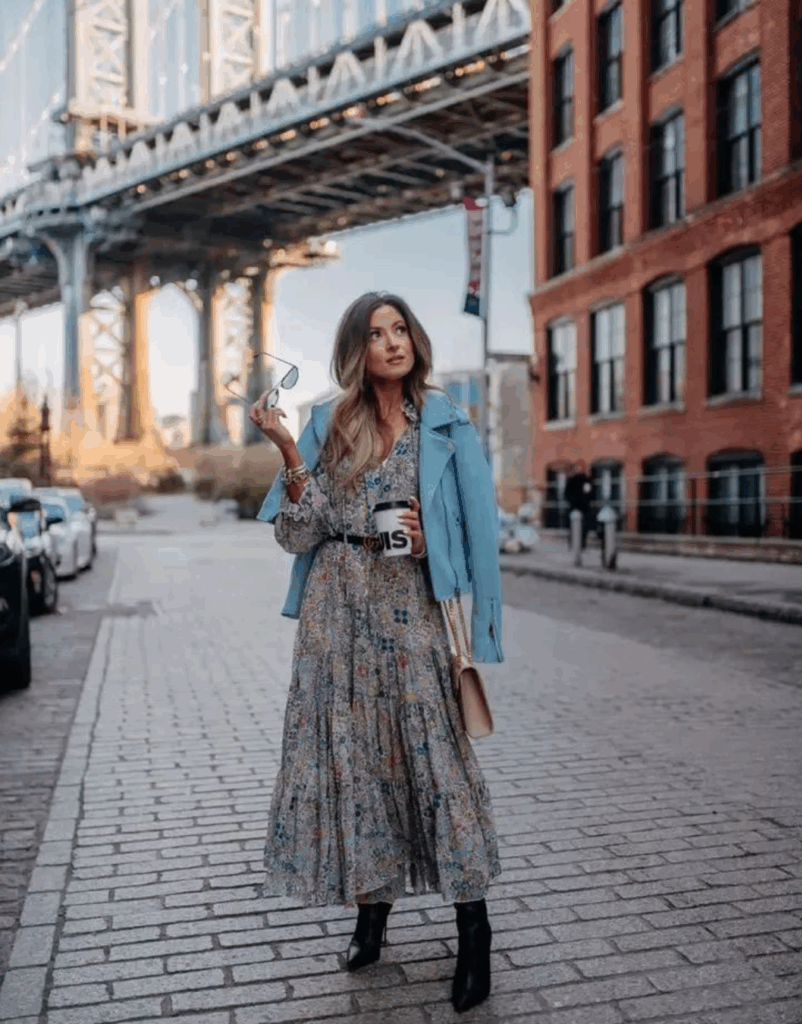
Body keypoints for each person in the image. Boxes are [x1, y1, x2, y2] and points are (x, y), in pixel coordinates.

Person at [249, 292, 504, 1014]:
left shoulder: (447, 421)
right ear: (356, 350)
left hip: (412, 613)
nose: (391, 343)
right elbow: (299, 534)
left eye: (399, 330)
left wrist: (436, 550)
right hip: (336, 617)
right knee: (359, 769)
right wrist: (288, 450)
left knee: (438, 767)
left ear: (414, 340)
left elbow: (478, 528)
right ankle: (371, 916)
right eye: (374, 334)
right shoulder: (331, 420)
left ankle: (473, 929)